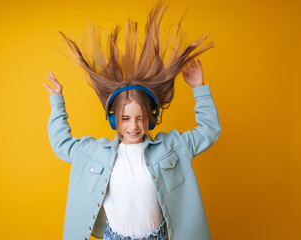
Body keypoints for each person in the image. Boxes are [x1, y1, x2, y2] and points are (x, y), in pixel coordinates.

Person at [43, 1, 221, 240]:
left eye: (140, 118)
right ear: (115, 120)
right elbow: (62, 145)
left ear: (150, 118)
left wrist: (199, 89)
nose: (133, 126)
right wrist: (57, 101)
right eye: (126, 118)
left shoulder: (173, 147)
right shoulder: (94, 153)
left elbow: (209, 131)